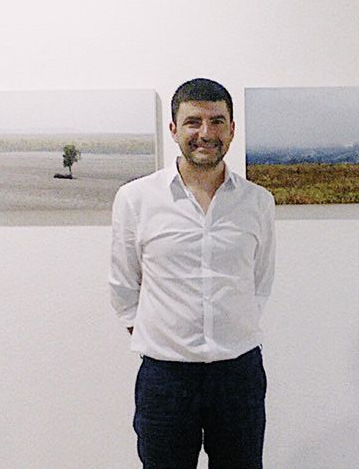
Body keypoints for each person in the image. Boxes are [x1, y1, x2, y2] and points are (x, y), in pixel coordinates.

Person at [109, 78, 276, 468]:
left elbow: (260, 281)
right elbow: (123, 285)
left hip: (239, 375)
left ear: (232, 129)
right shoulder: (136, 199)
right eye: (193, 122)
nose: (206, 133)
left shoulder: (258, 201)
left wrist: (230, 328)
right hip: (165, 379)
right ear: (174, 129)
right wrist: (163, 335)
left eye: (217, 121)